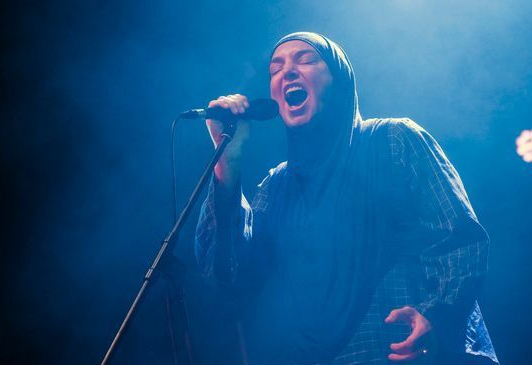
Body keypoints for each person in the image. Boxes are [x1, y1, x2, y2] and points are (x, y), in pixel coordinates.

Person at [195, 32, 499, 365]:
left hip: (406, 351)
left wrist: (438, 316)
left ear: (339, 81)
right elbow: (229, 273)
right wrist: (229, 158)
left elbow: (459, 238)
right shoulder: (277, 185)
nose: (287, 72)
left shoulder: (393, 141)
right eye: (276, 68)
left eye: (306, 59)